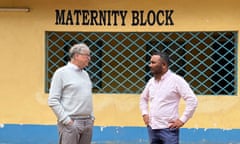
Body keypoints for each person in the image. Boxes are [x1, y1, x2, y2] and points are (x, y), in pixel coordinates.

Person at [139, 51, 198, 144]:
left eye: (153, 63)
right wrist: (145, 113)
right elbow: (143, 98)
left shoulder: (176, 80)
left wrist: (182, 120)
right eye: (150, 62)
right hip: (152, 128)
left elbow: (192, 100)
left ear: (163, 64)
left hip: (169, 129)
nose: (150, 65)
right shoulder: (151, 82)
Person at [48, 43, 95, 144]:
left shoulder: (85, 74)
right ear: (76, 56)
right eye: (86, 55)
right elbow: (53, 100)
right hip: (71, 122)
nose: (89, 58)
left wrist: (91, 117)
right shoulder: (61, 73)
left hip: (87, 122)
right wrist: (67, 121)